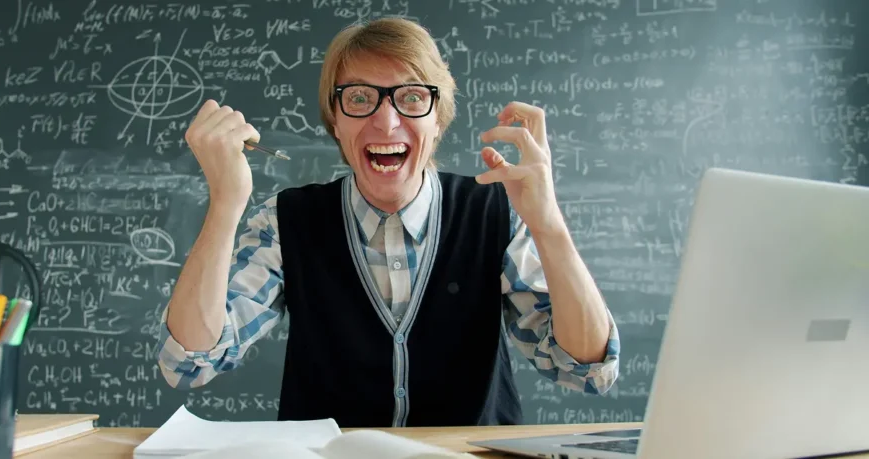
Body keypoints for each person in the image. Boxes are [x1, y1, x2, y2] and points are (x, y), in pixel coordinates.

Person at [157, 17, 620, 428]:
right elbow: (190, 363)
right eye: (359, 97)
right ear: (335, 120)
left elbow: (586, 370)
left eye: (412, 97)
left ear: (438, 119)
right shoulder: (288, 222)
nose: (386, 121)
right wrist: (225, 203)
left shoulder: (494, 215)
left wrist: (549, 223)